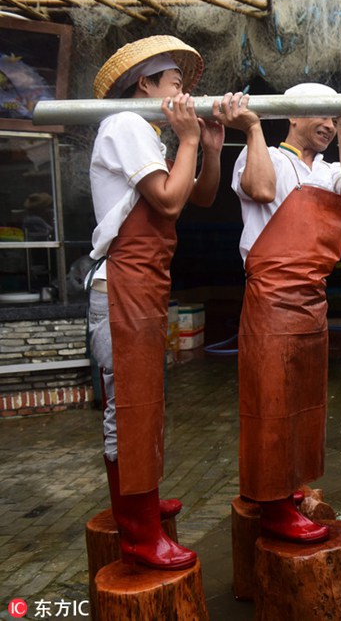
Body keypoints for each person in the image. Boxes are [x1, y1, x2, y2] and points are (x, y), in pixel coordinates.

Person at [216, 83, 341, 542]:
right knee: (270, 400)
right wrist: (250, 126)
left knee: (305, 401)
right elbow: (261, 186)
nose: (328, 126)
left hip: (313, 299)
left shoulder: (329, 170)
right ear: (292, 117)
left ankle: (290, 486)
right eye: (320, 117)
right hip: (271, 298)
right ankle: (271, 506)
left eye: (334, 118)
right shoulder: (262, 154)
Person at [86, 35, 224, 568]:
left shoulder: (147, 136)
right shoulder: (124, 125)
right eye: (173, 84)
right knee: (130, 407)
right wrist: (188, 139)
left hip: (143, 284)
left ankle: (140, 497)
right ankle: (139, 533)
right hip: (120, 283)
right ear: (144, 84)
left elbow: (202, 197)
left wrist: (206, 146)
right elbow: (168, 199)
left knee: (144, 401)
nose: (183, 95)